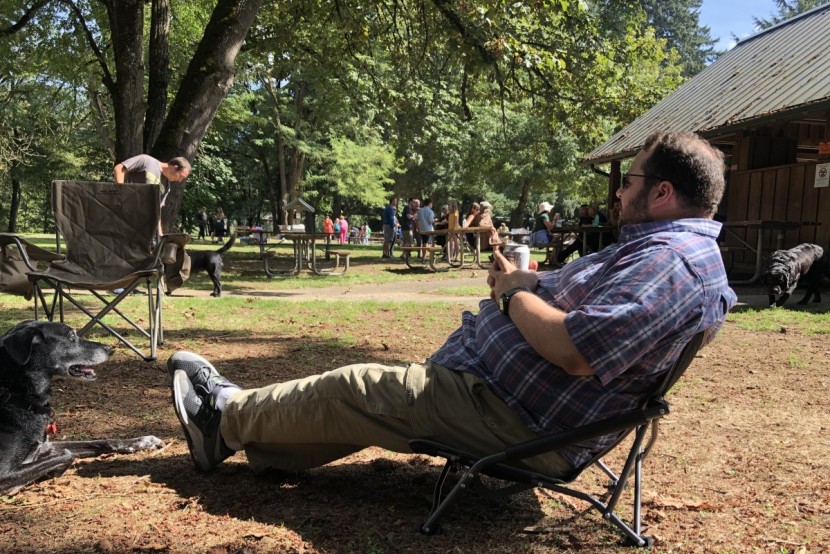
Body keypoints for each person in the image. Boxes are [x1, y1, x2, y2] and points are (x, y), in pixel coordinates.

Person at [168, 131, 736, 481]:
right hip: (511, 401)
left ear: (662, 192)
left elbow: (575, 351)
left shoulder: (670, 265)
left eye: (630, 179)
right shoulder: (665, 252)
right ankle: (241, 437)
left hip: (519, 421)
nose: (619, 191)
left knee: (355, 389)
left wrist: (512, 294)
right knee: (368, 406)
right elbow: (593, 317)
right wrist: (528, 282)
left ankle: (224, 416)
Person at [113, 155, 191, 238]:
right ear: (175, 167)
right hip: (122, 215)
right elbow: (119, 168)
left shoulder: (166, 187)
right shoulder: (146, 161)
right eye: (181, 176)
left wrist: (160, 234)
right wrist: (122, 195)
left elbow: (157, 211)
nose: (179, 180)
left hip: (139, 225)